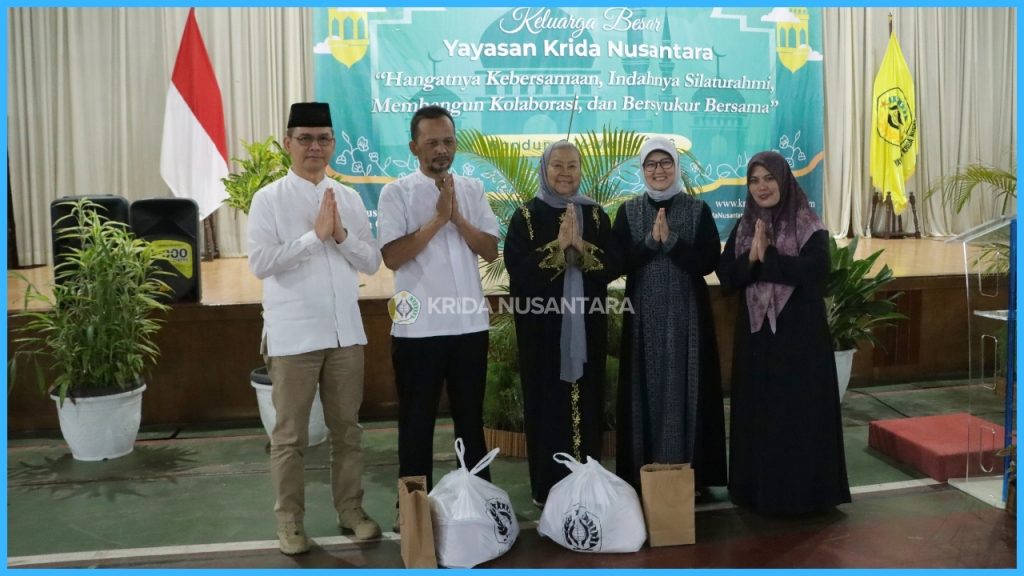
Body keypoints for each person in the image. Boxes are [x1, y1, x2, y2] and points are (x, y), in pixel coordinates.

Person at [247, 102, 383, 555]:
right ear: (288, 143)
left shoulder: (348, 198)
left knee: (348, 431)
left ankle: (351, 511)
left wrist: (340, 235)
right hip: (294, 337)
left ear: (333, 144)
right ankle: (289, 522)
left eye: (323, 138)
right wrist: (314, 237)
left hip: (345, 335)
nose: (314, 147)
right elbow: (261, 263)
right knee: (289, 437)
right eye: (305, 138)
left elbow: (371, 261)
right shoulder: (269, 199)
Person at [717, 150, 851, 515]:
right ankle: (757, 492)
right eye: (754, 180)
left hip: (799, 340)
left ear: (784, 180)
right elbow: (727, 276)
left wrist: (770, 259)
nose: (762, 187)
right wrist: (752, 259)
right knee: (760, 414)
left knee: (797, 415)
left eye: (769, 178)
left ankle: (803, 495)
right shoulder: (745, 226)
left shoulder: (807, 223)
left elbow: (817, 271)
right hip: (757, 341)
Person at [377, 106, 500, 500]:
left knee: (470, 422)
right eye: (432, 143)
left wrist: (457, 218)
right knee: (416, 423)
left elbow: (490, 251)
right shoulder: (396, 193)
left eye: (448, 141)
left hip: (469, 328)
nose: (441, 150)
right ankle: (412, 507)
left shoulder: (473, 189)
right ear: (414, 147)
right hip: (418, 331)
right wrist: (436, 220)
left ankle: (480, 504)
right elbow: (393, 257)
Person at [504, 140, 619, 506]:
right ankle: (548, 489)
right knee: (546, 404)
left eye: (572, 166)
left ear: (581, 170)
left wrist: (581, 248)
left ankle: (587, 484)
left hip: (588, 326)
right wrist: (557, 247)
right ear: (545, 168)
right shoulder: (525, 217)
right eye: (557, 165)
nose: (565, 173)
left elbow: (612, 267)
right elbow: (519, 273)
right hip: (542, 332)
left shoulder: (596, 216)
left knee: (588, 401)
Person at [612, 136, 727, 493]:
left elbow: (708, 262)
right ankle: (643, 473)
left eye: (665, 163)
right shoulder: (628, 211)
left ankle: (692, 477)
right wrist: (650, 243)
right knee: (643, 391)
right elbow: (617, 263)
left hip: (687, 318)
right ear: (642, 169)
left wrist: (673, 242)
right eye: (651, 164)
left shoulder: (698, 210)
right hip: (642, 320)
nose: (658, 170)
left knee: (687, 387)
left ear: (676, 167)